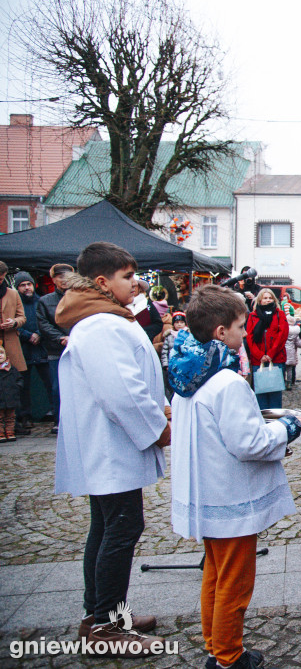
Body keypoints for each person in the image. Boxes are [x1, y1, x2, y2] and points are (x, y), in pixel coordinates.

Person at [167, 284, 301, 669]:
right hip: (229, 496)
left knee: (215, 573)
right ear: (220, 332)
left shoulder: (188, 377)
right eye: (241, 326)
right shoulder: (226, 382)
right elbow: (249, 443)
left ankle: (216, 644)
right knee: (234, 582)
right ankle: (227, 656)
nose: (246, 333)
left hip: (206, 492)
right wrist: (287, 428)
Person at [53, 242, 169, 655]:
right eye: (126, 275)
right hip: (111, 446)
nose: (135, 281)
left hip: (110, 445)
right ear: (102, 282)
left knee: (107, 529)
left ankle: (103, 613)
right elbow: (121, 392)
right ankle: (105, 626)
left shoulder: (103, 319)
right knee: (119, 529)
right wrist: (160, 429)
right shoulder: (101, 324)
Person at [36, 264, 73, 435]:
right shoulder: (45, 301)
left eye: (66, 276)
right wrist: (60, 338)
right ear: (53, 279)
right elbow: (43, 324)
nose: (63, 280)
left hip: (78, 348)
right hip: (56, 351)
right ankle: (59, 421)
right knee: (57, 387)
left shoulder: (80, 297)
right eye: (59, 277)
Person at [15, 271, 52, 429]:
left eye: (28, 284)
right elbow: (14, 323)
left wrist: (39, 334)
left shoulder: (42, 301)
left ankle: (56, 414)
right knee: (23, 386)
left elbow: (48, 320)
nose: (26, 288)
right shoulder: (16, 303)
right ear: (17, 288)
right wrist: (27, 335)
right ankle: (25, 416)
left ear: (34, 285)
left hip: (43, 349)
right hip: (23, 349)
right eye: (22, 285)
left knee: (50, 383)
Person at [245, 288, 288, 410]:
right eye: (265, 298)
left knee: (275, 393)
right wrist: (259, 355)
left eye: (270, 298)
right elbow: (249, 337)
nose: (268, 300)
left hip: (276, 358)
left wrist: (270, 354)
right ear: (260, 300)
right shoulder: (253, 316)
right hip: (258, 360)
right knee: (261, 393)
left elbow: (282, 335)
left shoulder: (279, 314)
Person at [0, 261, 27, 434]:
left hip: (10, 342)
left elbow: (22, 317)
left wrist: (14, 322)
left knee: (12, 384)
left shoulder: (12, 293)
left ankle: (12, 425)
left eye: (1, 277)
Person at [161, 312, 187, 399]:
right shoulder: (169, 336)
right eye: (177, 322)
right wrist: (166, 364)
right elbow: (164, 351)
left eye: (181, 322)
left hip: (184, 365)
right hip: (172, 366)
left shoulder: (188, 335)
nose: (179, 324)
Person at [0, 344, 20, 442]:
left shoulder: (12, 369)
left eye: (1, 353)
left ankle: (10, 432)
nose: (0, 355)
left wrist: (16, 387)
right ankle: (1, 433)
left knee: (10, 417)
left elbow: (19, 379)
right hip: (1, 399)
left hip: (10, 398)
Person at [283, 314, 301, 390]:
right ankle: (289, 383)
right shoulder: (296, 331)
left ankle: (282, 382)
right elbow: (299, 344)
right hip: (291, 352)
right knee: (289, 369)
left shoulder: (283, 329)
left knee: (282, 368)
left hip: (283, 351)